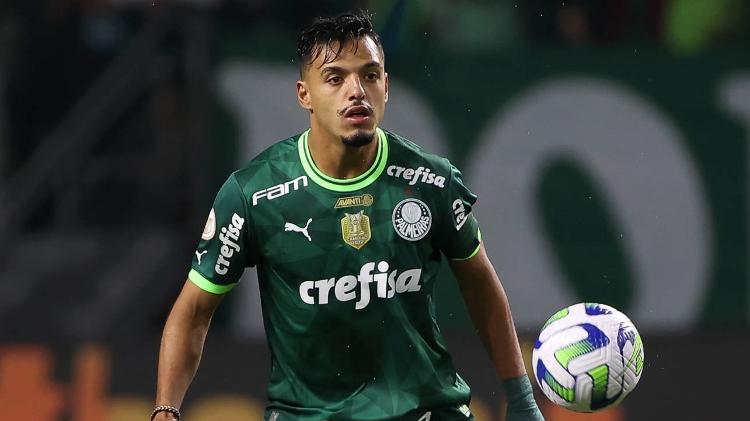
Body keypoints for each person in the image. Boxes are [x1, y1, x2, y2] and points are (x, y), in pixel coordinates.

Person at [153, 11, 545, 421]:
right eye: (336, 78)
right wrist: (165, 409)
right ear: (305, 94)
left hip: (426, 412)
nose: (356, 91)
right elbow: (194, 310)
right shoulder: (253, 193)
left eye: (370, 75)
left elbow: (480, 286)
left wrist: (520, 399)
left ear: (386, 86)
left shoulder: (431, 180)